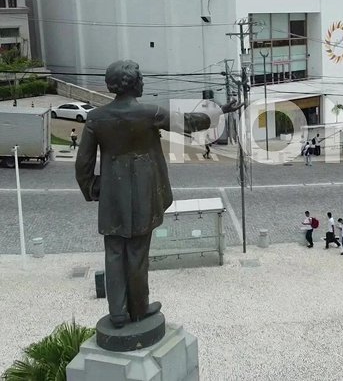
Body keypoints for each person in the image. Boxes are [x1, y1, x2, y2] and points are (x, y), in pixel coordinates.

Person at [75, 59, 241, 329]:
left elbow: (82, 164)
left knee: (114, 251)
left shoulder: (96, 118)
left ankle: (117, 311)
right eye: (140, 78)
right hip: (143, 192)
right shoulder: (149, 113)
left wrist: (94, 189)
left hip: (112, 194)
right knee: (138, 252)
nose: (143, 82)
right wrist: (220, 110)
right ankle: (139, 308)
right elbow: (189, 123)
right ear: (131, 83)